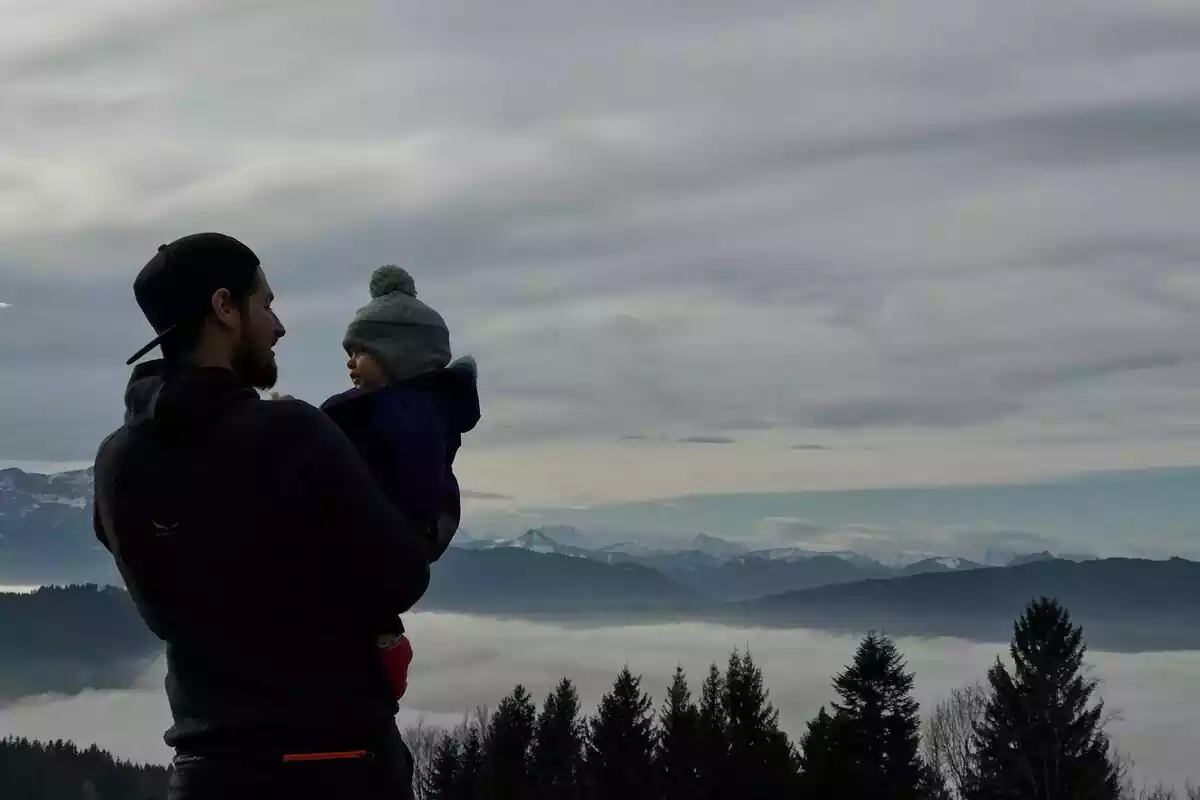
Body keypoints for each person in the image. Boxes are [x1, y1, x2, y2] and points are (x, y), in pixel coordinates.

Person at [91, 233, 431, 800]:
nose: (278, 326)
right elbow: (402, 574)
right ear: (224, 307)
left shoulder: (116, 463)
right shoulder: (291, 434)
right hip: (335, 763)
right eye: (266, 304)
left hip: (206, 769)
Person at [319, 265, 480, 701]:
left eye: (360, 352)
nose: (350, 364)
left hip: (376, 551)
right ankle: (386, 650)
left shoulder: (404, 417)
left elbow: (400, 496)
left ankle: (384, 651)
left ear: (398, 356)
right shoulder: (420, 414)